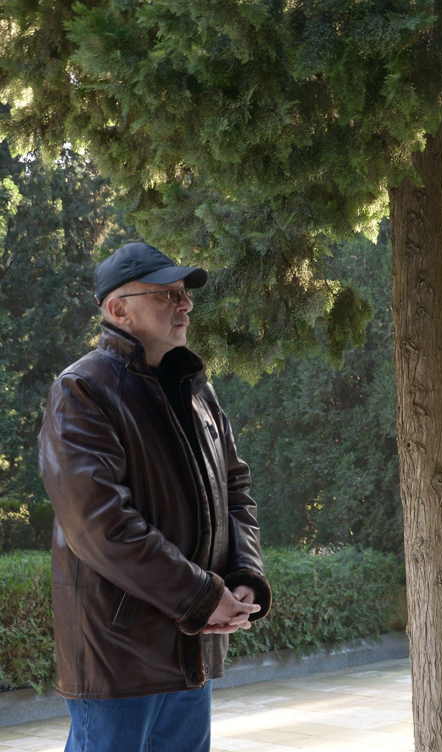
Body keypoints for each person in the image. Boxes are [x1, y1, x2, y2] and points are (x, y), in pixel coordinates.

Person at [38, 242, 272, 752]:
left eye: (184, 294)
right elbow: (101, 526)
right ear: (118, 309)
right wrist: (203, 597)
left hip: (190, 649)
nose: (184, 304)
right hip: (118, 657)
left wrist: (243, 575)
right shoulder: (82, 390)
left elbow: (236, 489)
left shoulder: (195, 389)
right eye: (167, 294)